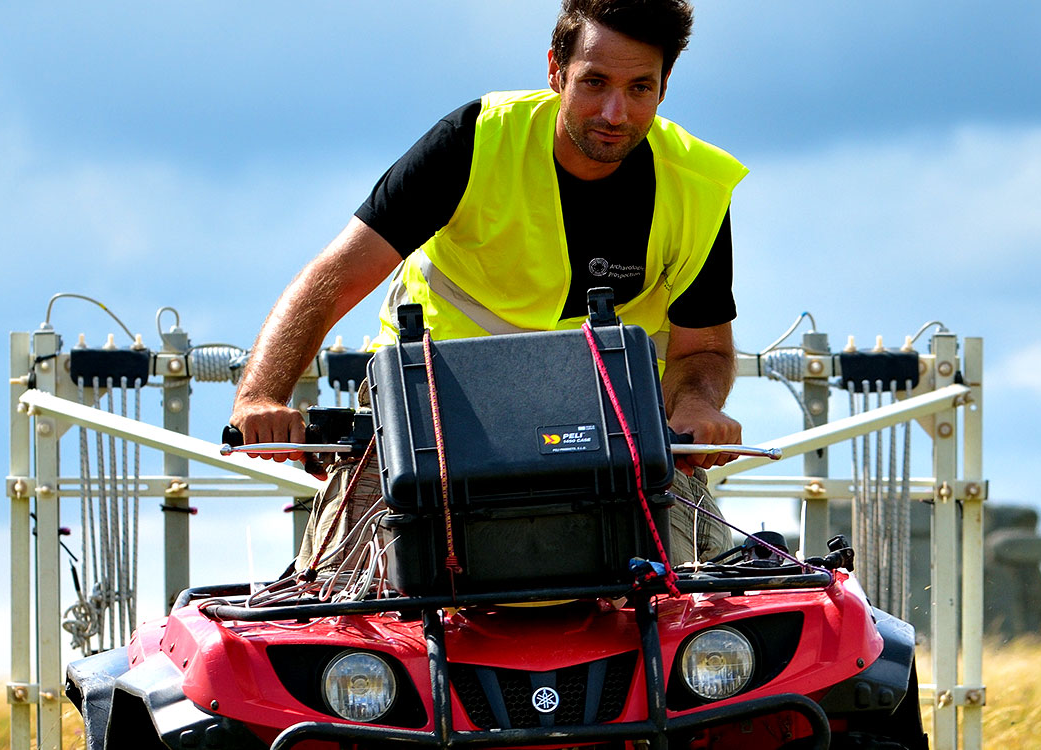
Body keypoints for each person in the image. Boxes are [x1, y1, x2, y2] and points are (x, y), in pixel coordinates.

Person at [228, 0, 743, 573]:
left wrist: (697, 404)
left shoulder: (698, 186)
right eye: (594, 82)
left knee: (705, 594)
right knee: (337, 594)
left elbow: (703, 347)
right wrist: (261, 397)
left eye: (639, 88)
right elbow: (333, 277)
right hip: (429, 410)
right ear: (556, 71)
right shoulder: (473, 141)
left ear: (664, 87)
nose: (614, 112)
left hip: (611, 422)